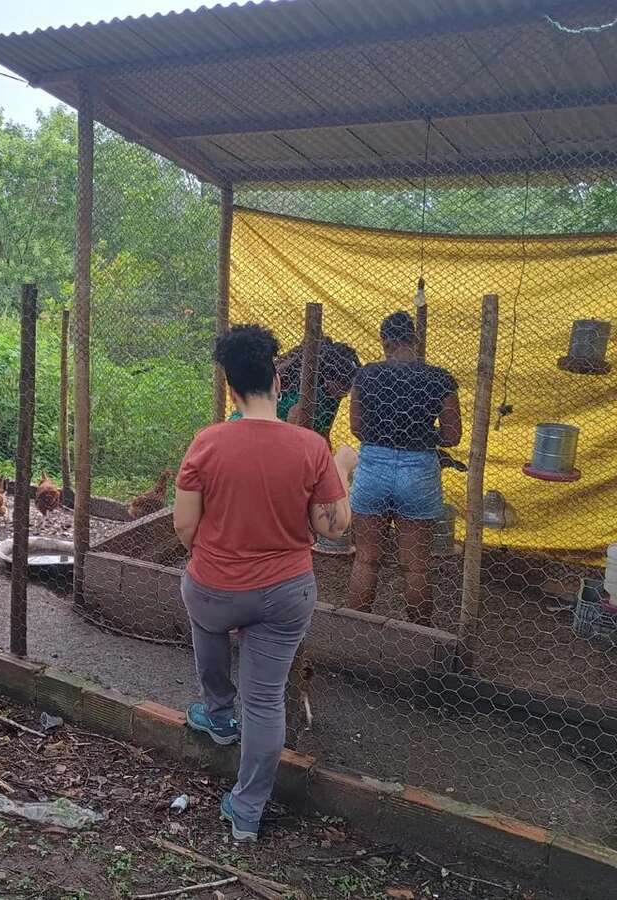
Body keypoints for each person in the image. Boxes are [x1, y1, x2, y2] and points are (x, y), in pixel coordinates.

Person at [174, 324, 357, 842]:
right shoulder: (311, 447)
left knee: (202, 611)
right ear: (278, 381)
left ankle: (215, 714)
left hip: (214, 588)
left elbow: (184, 526)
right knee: (266, 700)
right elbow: (332, 526)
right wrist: (342, 465)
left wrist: (216, 562)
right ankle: (247, 811)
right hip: (285, 594)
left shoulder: (207, 442)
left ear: (230, 389)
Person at [347, 310, 461, 627]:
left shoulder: (366, 375)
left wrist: (385, 435)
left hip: (373, 468)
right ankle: (420, 637)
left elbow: (356, 427)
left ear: (385, 342)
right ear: (415, 339)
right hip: (419, 470)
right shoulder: (440, 378)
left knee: (367, 559)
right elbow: (452, 435)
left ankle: (353, 632)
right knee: (417, 567)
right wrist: (423, 435)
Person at [227, 337, 360, 440]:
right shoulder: (311, 397)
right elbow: (292, 433)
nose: (347, 392)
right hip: (251, 430)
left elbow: (324, 433)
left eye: (350, 386)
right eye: (344, 385)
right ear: (328, 377)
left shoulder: (333, 397)